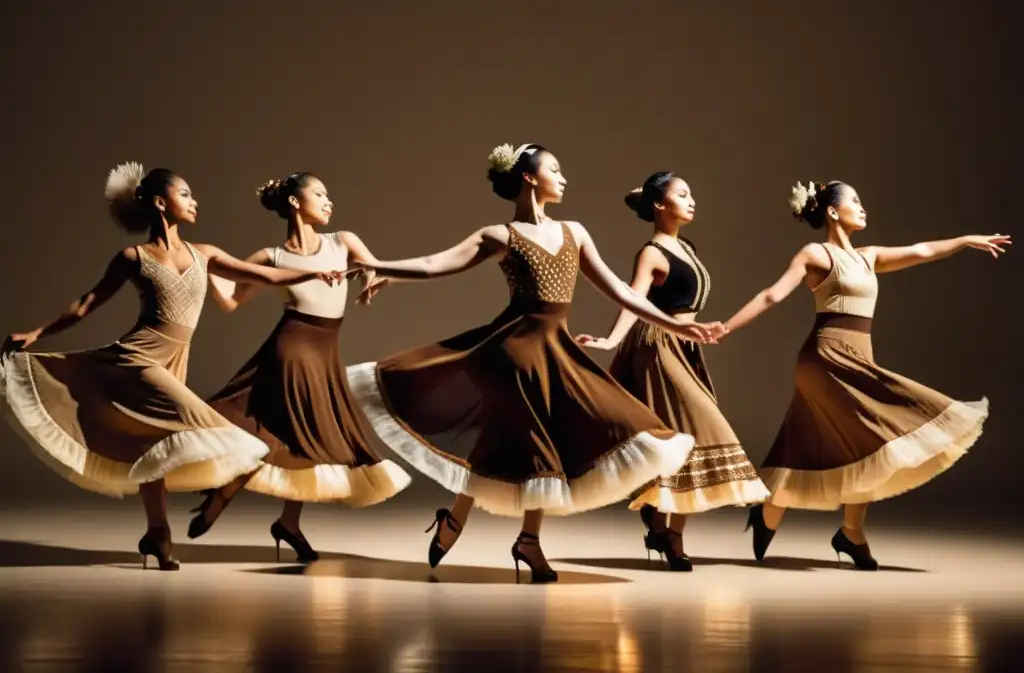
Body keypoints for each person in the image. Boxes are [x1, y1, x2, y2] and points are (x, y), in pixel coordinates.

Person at [347, 143, 726, 583]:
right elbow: (436, 264)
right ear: (529, 177)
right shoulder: (499, 236)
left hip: (555, 349)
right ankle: (523, 538)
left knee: (527, 443)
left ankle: (475, 524)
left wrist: (679, 327)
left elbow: (623, 292)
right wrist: (381, 267)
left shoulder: (575, 232)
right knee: (533, 445)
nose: (564, 178)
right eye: (555, 170)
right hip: (511, 350)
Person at [0, 164, 345, 570]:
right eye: (186, 194)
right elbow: (87, 302)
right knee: (213, 429)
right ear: (162, 203)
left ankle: (157, 534)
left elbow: (262, 274)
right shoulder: (134, 257)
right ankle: (190, 514)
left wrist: (315, 271)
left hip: (174, 361)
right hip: (139, 359)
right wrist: (38, 332)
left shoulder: (205, 254)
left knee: (154, 446)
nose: (194, 201)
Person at [724, 180, 1007, 569]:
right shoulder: (815, 254)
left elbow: (922, 250)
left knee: (818, 444)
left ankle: (786, 518)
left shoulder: (869, 257)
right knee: (866, 437)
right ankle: (849, 532)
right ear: (833, 212)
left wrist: (965, 240)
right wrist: (725, 327)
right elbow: (772, 295)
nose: (863, 208)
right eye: (855, 201)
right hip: (826, 359)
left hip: (859, 356)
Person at [185, 173, 411, 562]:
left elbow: (373, 267)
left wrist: (373, 278)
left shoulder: (343, 242)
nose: (329, 201)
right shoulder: (271, 257)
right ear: (294, 201)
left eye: (329, 194)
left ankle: (283, 521)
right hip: (291, 348)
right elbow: (232, 302)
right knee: (284, 431)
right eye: (320, 193)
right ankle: (227, 496)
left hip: (325, 351)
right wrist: (206, 268)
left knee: (302, 436)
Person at [576, 172, 769, 571]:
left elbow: (684, 303)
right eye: (682, 194)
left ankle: (667, 530)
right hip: (658, 346)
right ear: (660, 206)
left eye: (691, 192)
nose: (692, 199)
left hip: (686, 346)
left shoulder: (688, 247)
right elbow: (631, 299)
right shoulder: (650, 253)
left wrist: (702, 329)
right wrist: (611, 341)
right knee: (694, 431)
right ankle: (667, 530)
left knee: (682, 438)